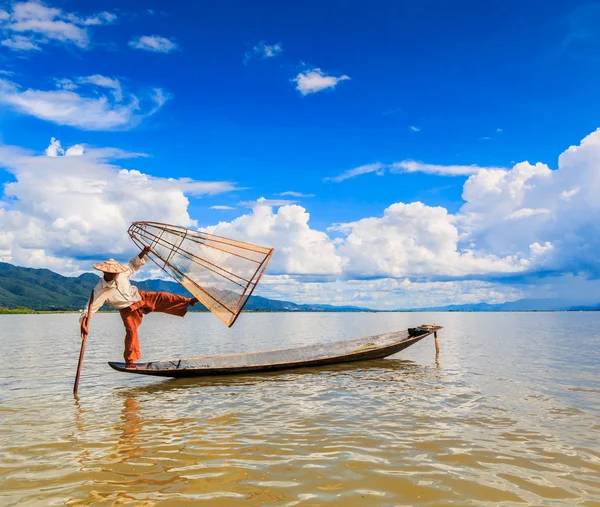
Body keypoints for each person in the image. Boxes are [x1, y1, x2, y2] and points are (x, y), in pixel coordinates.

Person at [79, 246, 197, 368]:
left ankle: (188, 302)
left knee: (161, 297)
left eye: (115, 273)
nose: (114, 275)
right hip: (126, 309)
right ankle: (130, 361)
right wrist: (84, 322)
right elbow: (90, 307)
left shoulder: (121, 274)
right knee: (131, 331)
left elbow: (132, 266)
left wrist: (143, 253)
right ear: (105, 272)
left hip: (138, 296)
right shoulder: (99, 289)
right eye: (111, 273)